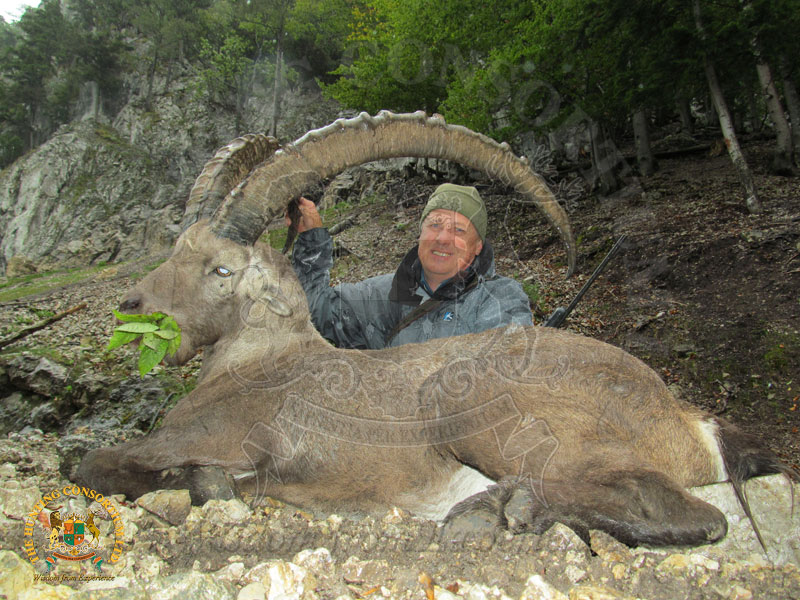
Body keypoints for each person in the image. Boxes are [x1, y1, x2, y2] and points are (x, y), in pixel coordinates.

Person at [289, 183, 532, 349]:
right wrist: (312, 238)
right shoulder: (385, 293)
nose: (443, 238)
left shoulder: (499, 299)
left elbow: (506, 369)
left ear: (478, 246)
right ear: (420, 233)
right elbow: (314, 310)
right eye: (435, 225)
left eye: (458, 230)